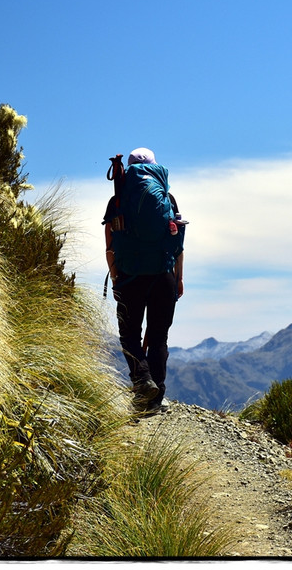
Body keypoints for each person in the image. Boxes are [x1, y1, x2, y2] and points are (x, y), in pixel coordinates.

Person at [103, 147, 185, 416]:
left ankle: (142, 381)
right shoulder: (167, 199)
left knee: (129, 334)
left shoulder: (118, 200)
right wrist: (178, 278)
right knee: (159, 336)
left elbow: (110, 244)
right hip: (163, 275)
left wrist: (115, 277)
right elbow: (178, 244)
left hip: (130, 276)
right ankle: (155, 396)